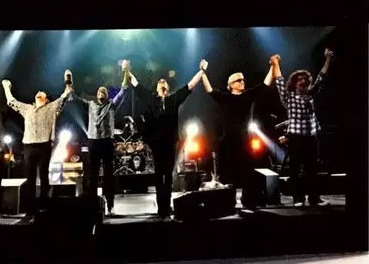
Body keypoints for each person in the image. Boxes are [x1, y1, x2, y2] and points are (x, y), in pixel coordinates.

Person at [134, 59, 208, 220]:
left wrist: (202, 71)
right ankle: (160, 206)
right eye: (160, 82)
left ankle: (166, 207)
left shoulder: (173, 99)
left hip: (169, 142)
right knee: (158, 174)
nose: (162, 83)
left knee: (167, 175)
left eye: (164, 82)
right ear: (157, 88)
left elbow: (190, 86)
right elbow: (136, 85)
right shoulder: (152, 99)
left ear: (167, 88)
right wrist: (126, 71)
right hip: (156, 142)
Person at [201, 56, 276, 209]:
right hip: (230, 139)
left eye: (243, 79)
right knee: (229, 170)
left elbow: (265, 84)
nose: (242, 82)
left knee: (248, 169)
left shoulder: (248, 95)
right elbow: (209, 90)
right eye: (238, 80)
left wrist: (273, 66)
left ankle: (248, 200)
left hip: (245, 138)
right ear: (231, 85)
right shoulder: (226, 98)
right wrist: (202, 72)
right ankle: (228, 202)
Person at [2, 71, 73, 218]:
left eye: (42, 92)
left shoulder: (51, 107)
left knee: (44, 176)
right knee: (30, 177)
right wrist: (6, 87)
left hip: (44, 145)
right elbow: (12, 102)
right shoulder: (27, 108)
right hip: (29, 146)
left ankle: (44, 205)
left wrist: (68, 80)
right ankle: (30, 208)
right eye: (38, 92)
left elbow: (66, 95)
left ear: (46, 99)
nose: (39, 92)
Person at [71, 60, 133, 215]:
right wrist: (69, 81)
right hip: (93, 141)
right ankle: (93, 204)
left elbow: (124, 89)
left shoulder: (111, 104)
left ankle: (110, 205)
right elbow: (75, 96)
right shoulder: (91, 104)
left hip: (106, 141)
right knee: (92, 174)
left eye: (104, 90)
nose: (102, 91)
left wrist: (126, 70)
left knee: (108, 174)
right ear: (96, 94)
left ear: (106, 95)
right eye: (100, 90)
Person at [272, 50, 333, 207]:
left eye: (305, 79)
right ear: (294, 83)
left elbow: (321, 77)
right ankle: (298, 199)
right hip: (296, 137)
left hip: (311, 136)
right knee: (295, 169)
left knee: (312, 169)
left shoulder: (311, 94)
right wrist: (276, 63)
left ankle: (314, 198)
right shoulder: (289, 97)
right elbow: (279, 81)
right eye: (299, 80)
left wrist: (328, 59)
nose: (303, 82)